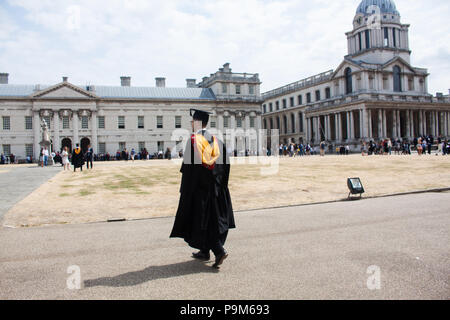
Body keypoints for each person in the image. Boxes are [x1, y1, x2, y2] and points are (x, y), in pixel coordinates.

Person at [170, 109, 235, 269]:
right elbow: (226, 166)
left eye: (192, 121)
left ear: (197, 122)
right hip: (217, 190)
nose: (191, 124)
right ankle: (204, 251)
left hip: (200, 191)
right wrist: (222, 188)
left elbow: (188, 170)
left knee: (201, 221)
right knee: (212, 220)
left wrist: (185, 192)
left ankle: (219, 250)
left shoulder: (193, 141)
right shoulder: (217, 141)